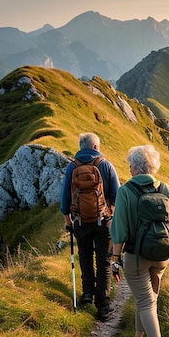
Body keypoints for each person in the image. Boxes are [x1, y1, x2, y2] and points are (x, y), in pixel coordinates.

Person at [110, 144, 169, 337]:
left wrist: (115, 259)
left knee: (145, 302)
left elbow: (119, 230)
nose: (129, 167)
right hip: (162, 257)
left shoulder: (125, 191)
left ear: (135, 167)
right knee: (148, 300)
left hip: (136, 257)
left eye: (130, 164)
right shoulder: (165, 188)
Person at [60, 132, 120, 321]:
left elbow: (65, 198)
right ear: (95, 147)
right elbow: (117, 194)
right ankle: (103, 306)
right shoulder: (105, 165)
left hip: (80, 221)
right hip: (104, 221)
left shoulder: (72, 167)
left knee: (85, 255)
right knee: (104, 262)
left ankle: (87, 293)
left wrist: (68, 220)